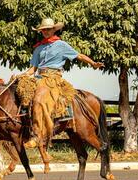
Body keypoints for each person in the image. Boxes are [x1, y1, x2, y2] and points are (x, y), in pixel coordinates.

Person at [21, 18, 104, 148]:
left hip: (53, 78)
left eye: (48, 29)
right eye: (43, 30)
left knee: (39, 99)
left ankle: (37, 135)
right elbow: (33, 69)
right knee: (21, 95)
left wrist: (93, 63)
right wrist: (21, 76)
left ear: (54, 30)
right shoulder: (38, 48)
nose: (45, 32)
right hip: (38, 77)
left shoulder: (61, 45)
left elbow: (79, 56)